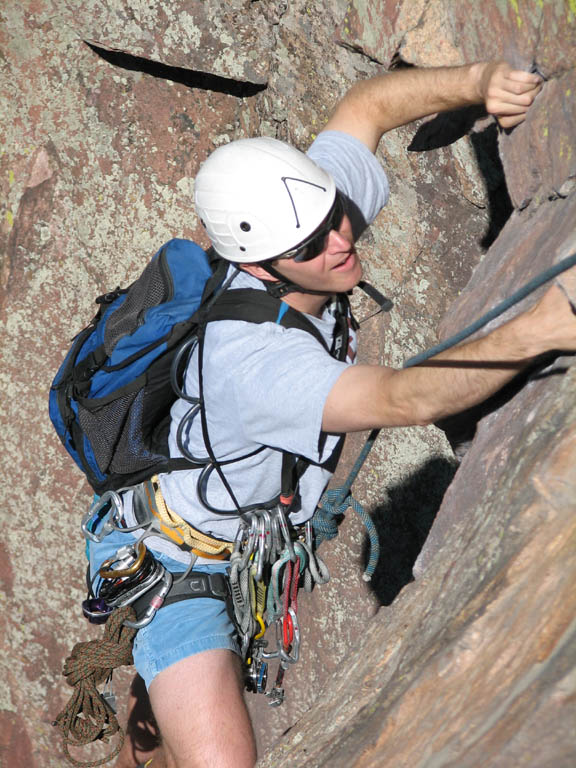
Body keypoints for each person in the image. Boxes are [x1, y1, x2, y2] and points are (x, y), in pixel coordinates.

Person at [96, 60, 575, 768]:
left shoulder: (305, 217)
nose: (340, 243)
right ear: (260, 266)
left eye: (335, 220)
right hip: (176, 566)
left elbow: (369, 106)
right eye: (311, 247)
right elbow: (399, 398)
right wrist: (542, 328)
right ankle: (157, 679)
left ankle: (160, 703)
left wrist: (481, 80)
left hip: (237, 539)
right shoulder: (253, 364)